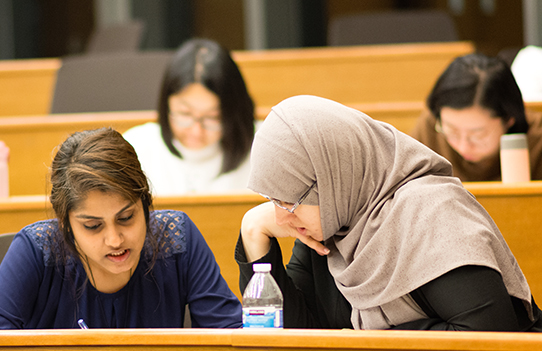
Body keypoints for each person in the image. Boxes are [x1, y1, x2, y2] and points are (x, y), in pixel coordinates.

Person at [237, 95, 542, 331]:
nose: (281, 219)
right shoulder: (334, 224)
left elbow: (485, 338)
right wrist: (253, 232)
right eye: (273, 200)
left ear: (334, 178)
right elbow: (296, 338)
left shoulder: (432, 213)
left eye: (289, 202)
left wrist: (362, 342)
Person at [0, 127, 242, 329]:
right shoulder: (37, 250)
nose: (114, 239)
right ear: (67, 226)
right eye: (93, 226)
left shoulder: (177, 240)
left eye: (126, 218)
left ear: (146, 206)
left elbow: (233, 338)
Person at [123, 38, 255, 196]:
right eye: (185, 114)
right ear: (166, 106)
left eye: (213, 118)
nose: (196, 131)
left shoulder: (262, 148)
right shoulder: (137, 147)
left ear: (234, 111)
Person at [409, 53, 542, 182]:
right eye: (451, 132)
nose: (463, 147)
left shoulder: (538, 142)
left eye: (478, 136)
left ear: (509, 119)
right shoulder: (429, 128)